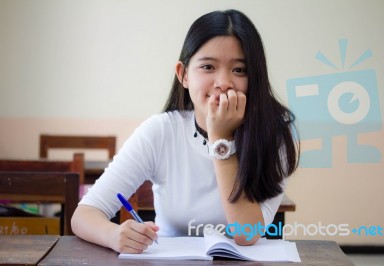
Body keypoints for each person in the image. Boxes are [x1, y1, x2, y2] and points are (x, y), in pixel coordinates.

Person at [71, 9, 299, 254]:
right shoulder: (160, 132)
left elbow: (247, 234)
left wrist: (220, 140)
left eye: (239, 70)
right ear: (184, 74)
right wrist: (113, 234)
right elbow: (84, 214)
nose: (223, 82)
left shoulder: (275, 136)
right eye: (208, 67)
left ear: (255, 77)